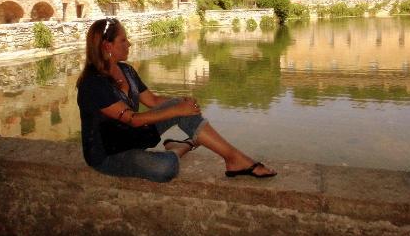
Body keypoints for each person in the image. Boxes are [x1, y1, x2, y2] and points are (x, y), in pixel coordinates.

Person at [76, 17, 277, 183]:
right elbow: (132, 119)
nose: (129, 44)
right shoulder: (93, 84)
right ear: (107, 45)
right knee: (166, 168)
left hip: (131, 138)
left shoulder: (126, 70)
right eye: (123, 40)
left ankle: (234, 159)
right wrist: (177, 110)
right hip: (108, 154)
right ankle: (182, 147)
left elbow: (153, 100)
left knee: (181, 108)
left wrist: (180, 102)